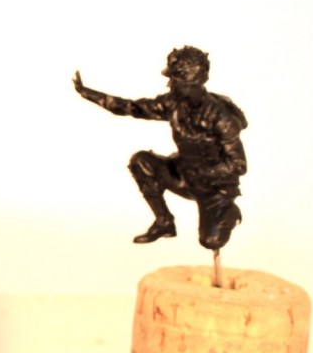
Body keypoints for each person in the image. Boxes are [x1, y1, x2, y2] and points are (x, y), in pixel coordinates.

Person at [74, 46, 248, 250]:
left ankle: (228, 213)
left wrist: (205, 172)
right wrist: (88, 93)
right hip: (184, 176)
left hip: (214, 189)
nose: (170, 84)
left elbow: (238, 165)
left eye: (176, 80)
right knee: (141, 162)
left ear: (192, 81)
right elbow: (132, 108)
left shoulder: (221, 117)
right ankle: (164, 222)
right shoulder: (173, 103)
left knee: (210, 241)